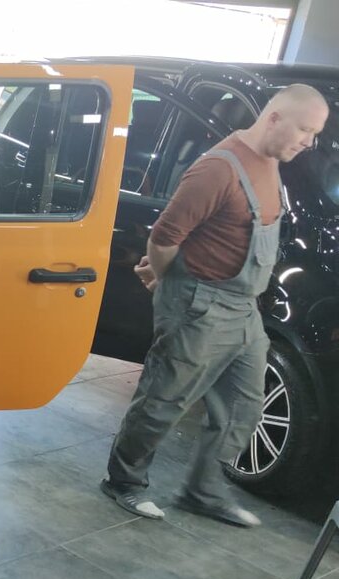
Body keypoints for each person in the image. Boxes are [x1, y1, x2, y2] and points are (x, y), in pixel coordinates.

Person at [100, 84, 329, 528]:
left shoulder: (271, 161)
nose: (309, 142)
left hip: (244, 308)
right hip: (200, 306)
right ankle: (123, 481)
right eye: (305, 130)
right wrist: (166, 281)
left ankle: (201, 492)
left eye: (316, 133)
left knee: (244, 405)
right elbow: (164, 237)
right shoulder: (217, 169)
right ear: (275, 118)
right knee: (163, 400)